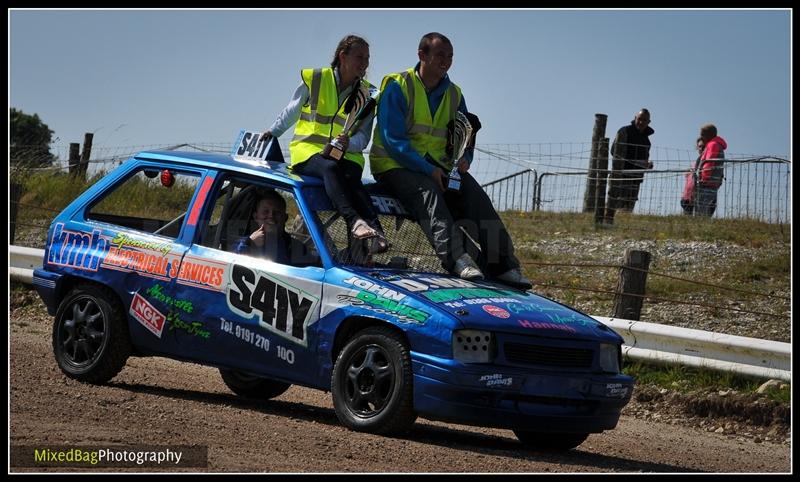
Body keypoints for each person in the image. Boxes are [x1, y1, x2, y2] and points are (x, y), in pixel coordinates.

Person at [369, 32, 531, 289]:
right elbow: (393, 140)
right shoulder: (398, 86)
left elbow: (466, 133)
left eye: (450, 56)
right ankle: (458, 260)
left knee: (476, 197)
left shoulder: (455, 94)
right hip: (395, 166)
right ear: (422, 55)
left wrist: (465, 159)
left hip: (440, 168)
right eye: (440, 54)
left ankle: (504, 266)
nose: (446, 60)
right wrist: (428, 169)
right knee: (430, 194)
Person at [263, 34, 388, 255]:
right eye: (359, 57)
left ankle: (376, 233)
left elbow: (363, 137)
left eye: (367, 58)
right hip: (308, 153)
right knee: (329, 168)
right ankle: (355, 221)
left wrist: (349, 143)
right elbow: (291, 111)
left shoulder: (369, 93)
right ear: (343, 56)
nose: (365, 63)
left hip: (345, 156)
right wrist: (273, 131)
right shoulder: (316, 79)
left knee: (352, 179)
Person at [604, 109, 654, 224]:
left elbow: (644, 159)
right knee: (615, 204)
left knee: (628, 207)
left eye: (644, 120)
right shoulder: (624, 131)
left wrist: (646, 164)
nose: (641, 122)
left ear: (649, 122)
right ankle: (607, 224)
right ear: (635, 118)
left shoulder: (647, 141)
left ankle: (623, 227)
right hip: (620, 176)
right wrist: (637, 162)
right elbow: (614, 151)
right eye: (639, 119)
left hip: (636, 178)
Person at [692, 124, 727, 217]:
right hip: (713, 182)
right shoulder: (716, 144)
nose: (701, 137)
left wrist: (704, 177)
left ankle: (700, 226)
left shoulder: (712, 145)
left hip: (707, 182)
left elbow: (709, 162)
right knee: (707, 207)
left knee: (702, 209)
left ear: (710, 134)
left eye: (702, 134)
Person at [680, 137, 705, 215]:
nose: (702, 148)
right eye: (700, 146)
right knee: (687, 222)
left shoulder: (709, 163)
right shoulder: (694, 164)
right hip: (687, 198)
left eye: (704, 146)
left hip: (701, 198)